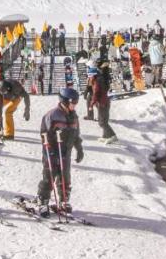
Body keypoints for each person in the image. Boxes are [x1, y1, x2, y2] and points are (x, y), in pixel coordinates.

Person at [36, 87, 84, 216]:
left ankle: (64, 201)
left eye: (76, 103)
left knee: (65, 176)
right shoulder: (52, 115)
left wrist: (79, 148)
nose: (74, 105)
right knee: (49, 176)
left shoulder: (74, 117)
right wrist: (49, 150)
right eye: (73, 103)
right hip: (51, 151)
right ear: (64, 101)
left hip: (65, 151)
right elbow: (44, 134)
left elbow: (76, 135)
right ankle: (43, 201)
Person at [85, 65, 117, 143]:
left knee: (102, 122)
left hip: (103, 104)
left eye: (90, 75)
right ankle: (106, 136)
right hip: (104, 103)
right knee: (103, 121)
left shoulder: (97, 82)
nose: (89, 77)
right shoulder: (98, 80)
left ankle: (112, 136)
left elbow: (96, 94)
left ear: (93, 75)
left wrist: (91, 105)